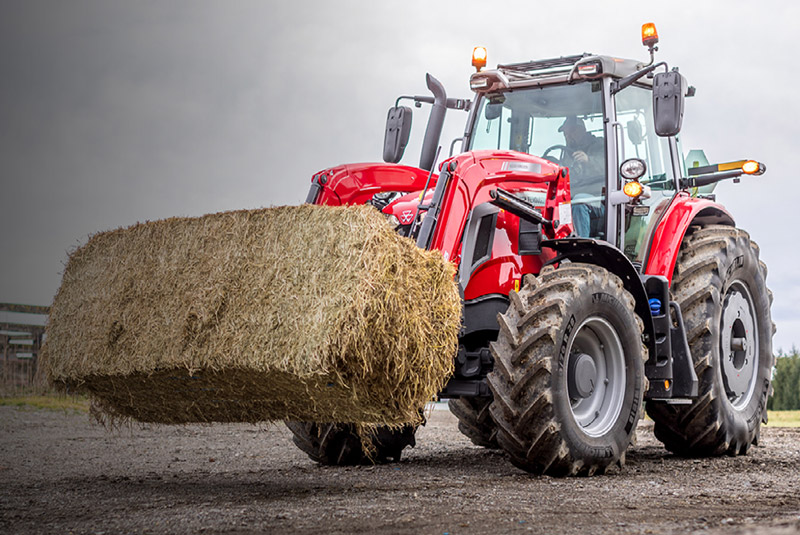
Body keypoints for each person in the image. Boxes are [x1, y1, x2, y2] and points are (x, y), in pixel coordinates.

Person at [558, 116, 605, 238]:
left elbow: (609, 166)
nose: (568, 137)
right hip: (571, 196)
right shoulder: (566, 152)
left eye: (571, 133)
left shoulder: (599, 144)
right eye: (565, 134)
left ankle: (581, 245)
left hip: (599, 199)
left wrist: (589, 160)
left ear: (581, 130)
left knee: (578, 202)